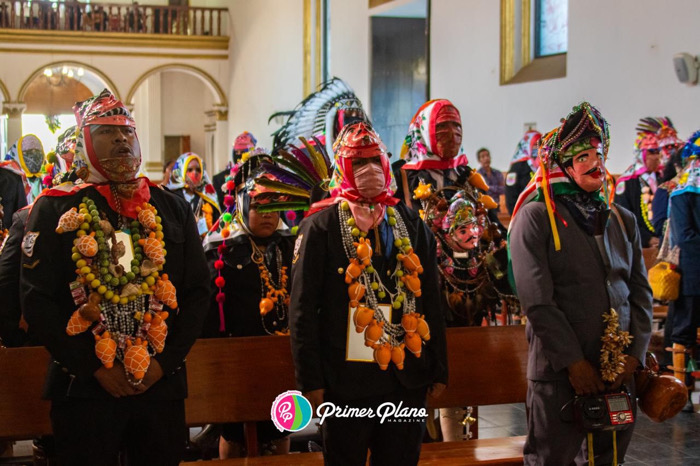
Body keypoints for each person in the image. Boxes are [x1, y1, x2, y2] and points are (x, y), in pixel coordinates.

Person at [20, 89, 210, 466]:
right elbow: (36, 301)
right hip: (85, 390)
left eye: (127, 132)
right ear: (84, 142)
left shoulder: (170, 206)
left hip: (159, 386)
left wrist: (163, 363)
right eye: (108, 132)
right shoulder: (55, 207)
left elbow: (198, 292)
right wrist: (92, 369)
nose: (122, 140)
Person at [290, 122, 448, 466]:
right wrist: (311, 380)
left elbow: (430, 299)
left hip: (406, 378)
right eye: (359, 164)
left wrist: (439, 367)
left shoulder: (410, 221)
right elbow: (301, 309)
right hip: (345, 382)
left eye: (375, 160)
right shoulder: (321, 226)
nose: (370, 171)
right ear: (343, 168)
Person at [508, 102, 653, 465]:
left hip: (618, 373)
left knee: (609, 459)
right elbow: (537, 300)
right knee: (552, 460)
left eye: (599, 154)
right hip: (560, 375)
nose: (596, 163)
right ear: (563, 165)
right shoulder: (536, 218)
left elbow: (640, 294)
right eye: (584, 155)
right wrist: (574, 363)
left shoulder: (623, 220)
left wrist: (633, 357)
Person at [204, 154, 294, 458]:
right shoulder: (222, 249)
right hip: (236, 360)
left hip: (282, 358)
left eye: (273, 206)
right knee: (234, 434)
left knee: (281, 430)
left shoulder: (292, 245)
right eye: (258, 207)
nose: (267, 215)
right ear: (242, 206)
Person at [666, 130, 700, 413]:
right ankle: (681, 390)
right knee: (684, 330)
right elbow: (685, 236)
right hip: (691, 272)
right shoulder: (683, 191)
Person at [615, 117, 673, 248]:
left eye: (659, 152)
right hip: (638, 246)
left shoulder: (663, 179)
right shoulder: (626, 182)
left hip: (662, 242)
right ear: (641, 154)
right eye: (653, 152)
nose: (658, 156)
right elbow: (622, 219)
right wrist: (646, 239)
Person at [165, 152, 221, 237]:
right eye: (190, 170)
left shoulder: (208, 198)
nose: (195, 173)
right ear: (181, 171)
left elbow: (216, 225)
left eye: (198, 170)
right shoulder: (172, 196)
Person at [213, 131, 257, 209]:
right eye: (236, 152)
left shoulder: (261, 174)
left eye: (243, 152)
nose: (239, 155)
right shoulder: (220, 178)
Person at [504, 129, 542, 215]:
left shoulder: (543, 165)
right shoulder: (516, 168)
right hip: (523, 213)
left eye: (540, 144)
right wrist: (515, 216)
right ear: (527, 146)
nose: (538, 148)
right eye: (535, 145)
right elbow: (510, 194)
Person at [4, 134, 46, 202]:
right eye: (29, 153)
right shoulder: (9, 179)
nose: (34, 156)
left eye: (37, 152)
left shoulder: (38, 180)